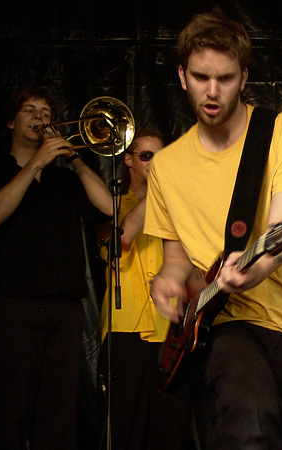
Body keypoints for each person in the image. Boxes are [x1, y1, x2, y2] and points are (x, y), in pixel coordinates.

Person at [143, 8, 282, 450]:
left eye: (225, 78)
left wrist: (251, 270)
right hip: (228, 322)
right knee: (247, 425)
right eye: (200, 77)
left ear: (244, 77)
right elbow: (176, 259)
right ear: (182, 76)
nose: (212, 91)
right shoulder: (165, 166)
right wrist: (167, 281)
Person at [0, 86, 114, 450]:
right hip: (15, 304)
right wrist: (35, 164)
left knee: (58, 414)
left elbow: (109, 208)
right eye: (29, 110)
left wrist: (75, 159)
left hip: (65, 307)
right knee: (10, 411)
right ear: (11, 122)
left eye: (46, 113)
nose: (39, 118)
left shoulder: (66, 179)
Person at [96, 128, 193, 450]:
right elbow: (118, 243)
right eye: (148, 156)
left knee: (171, 430)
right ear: (128, 160)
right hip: (126, 328)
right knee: (124, 430)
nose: (156, 163)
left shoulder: (178, 209)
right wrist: (161, 193)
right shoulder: (111, 204)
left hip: (171, 329)